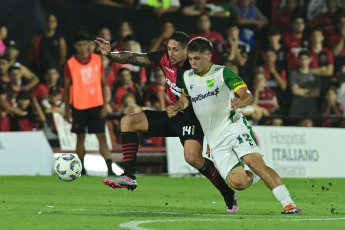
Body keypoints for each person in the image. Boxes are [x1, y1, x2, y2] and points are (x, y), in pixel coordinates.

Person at [95, 31, 239, 213]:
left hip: (192, 119)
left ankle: (227, 193)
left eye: (175, 49)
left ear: (187, 51)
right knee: (128, 121)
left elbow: (211, 103)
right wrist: (109, 54)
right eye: (169, 48)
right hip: (171, 114)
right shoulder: (164, 58)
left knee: (192, 158)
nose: (170, 53)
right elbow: (134, 58)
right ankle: (129, 176)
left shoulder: (196, 70)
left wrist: (211, 134)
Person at [166, 37, 301, 214]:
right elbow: (186, 98)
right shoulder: (187, 77)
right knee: (239, 183)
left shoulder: (223, 73)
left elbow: (246, 94)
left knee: (254, 163)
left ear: (208, 56)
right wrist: (177, 106)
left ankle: (289, 204)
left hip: (233, 127)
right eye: (190, 58)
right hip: (215, 139)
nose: (193, 63)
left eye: (197, 58)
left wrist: (241, 100)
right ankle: (260, 175)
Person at [63, 31, 114, 176]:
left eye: (85, 44)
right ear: (75, 46)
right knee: (80, 138)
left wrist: (105, 105)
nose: (82, 47)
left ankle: (109, 168)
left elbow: (104, 84)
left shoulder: (98, 60)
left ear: (90, 45)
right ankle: (81, 169)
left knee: (101, 137)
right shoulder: (70, 64)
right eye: (79, 44)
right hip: (78, 105)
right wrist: (67, 109)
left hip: (96, 104)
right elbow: (66, 89)